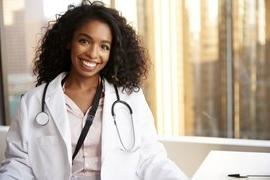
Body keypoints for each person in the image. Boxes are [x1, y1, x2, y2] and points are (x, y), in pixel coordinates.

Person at [0, 1, 188, 180]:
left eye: (104, 46)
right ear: (68, 42)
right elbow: (19, 163)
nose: (92, 53)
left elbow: (150, 158)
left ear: (111, 52)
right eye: (84, 41)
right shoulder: (34, 101)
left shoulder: (130, 99)